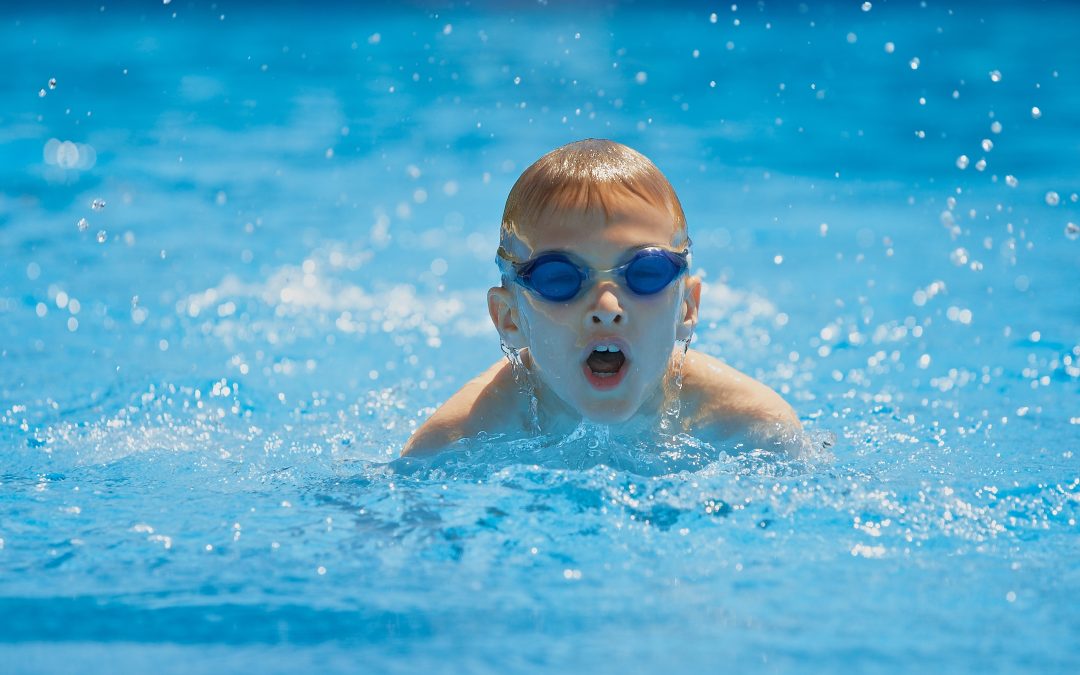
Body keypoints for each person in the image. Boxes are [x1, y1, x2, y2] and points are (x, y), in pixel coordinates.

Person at [401, 139, 799, 457]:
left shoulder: (753, 428)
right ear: (510, 318)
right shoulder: (454, 444)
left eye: (645, 273)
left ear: (688, 306)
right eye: (560, 278)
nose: (607, 309)